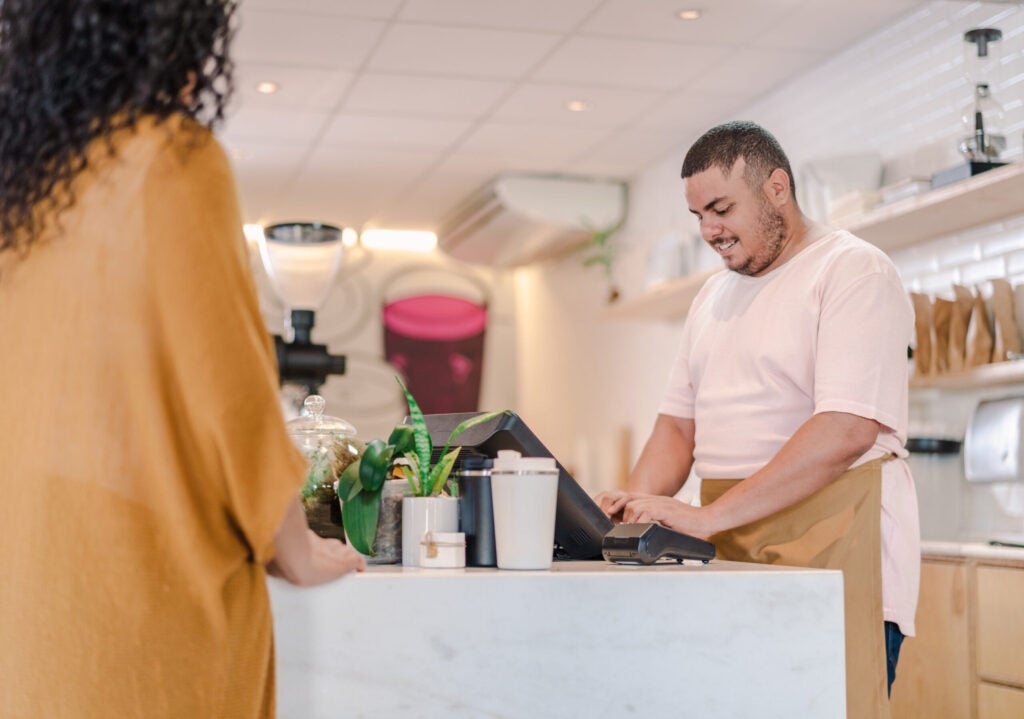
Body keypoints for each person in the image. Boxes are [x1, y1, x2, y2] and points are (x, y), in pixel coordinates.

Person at [0, 2, 365, 717]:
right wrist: (297, 547)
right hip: (144, 601)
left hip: (32, 612)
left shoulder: (24, 193)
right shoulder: (171, 158)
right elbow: (233, 398)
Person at [597, 121, 919, 719]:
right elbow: (677, 429)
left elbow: (846, 429)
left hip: (832, 537)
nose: (709, 231)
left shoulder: (852, 270)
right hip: (730, 543)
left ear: (777, 187)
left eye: (720, 208)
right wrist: (627, 514)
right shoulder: (711, 298)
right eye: (699, 216)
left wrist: (707, 517)